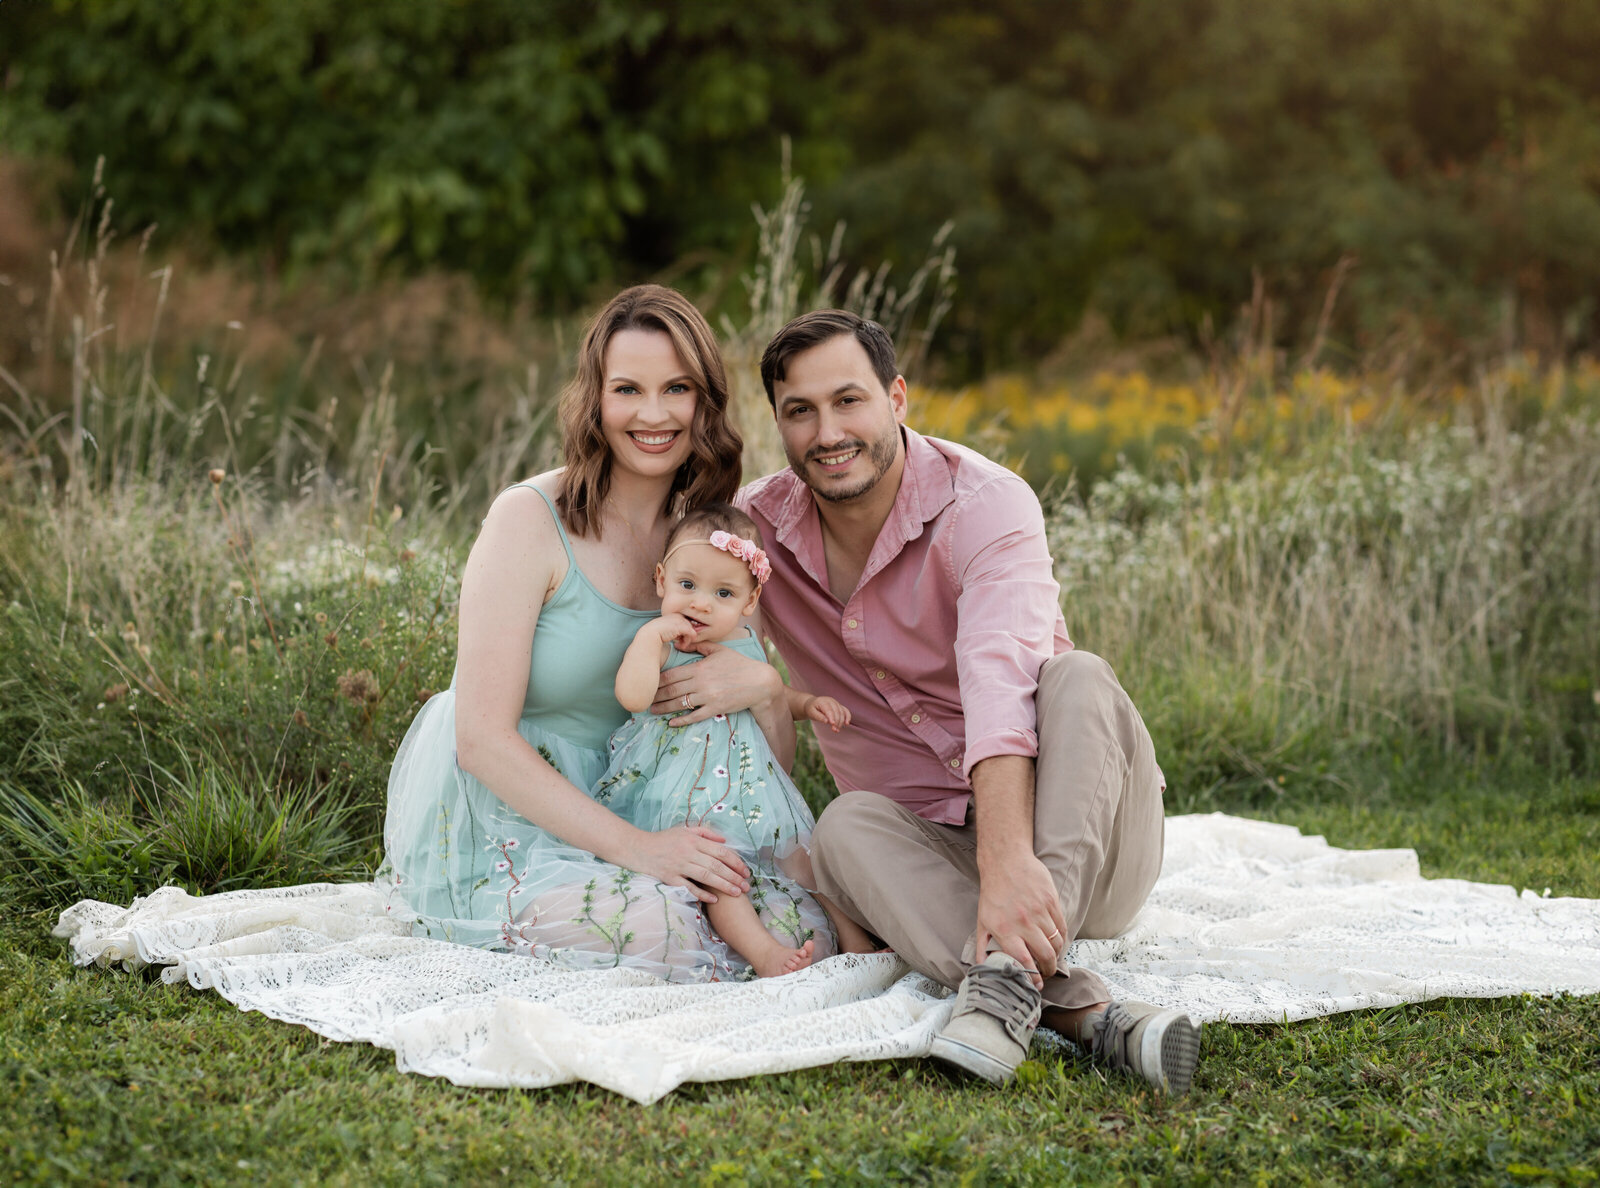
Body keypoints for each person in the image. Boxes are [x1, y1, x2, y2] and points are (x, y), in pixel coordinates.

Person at [653, 310, 1201, 1090]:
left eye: (849, 401)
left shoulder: (985, 503)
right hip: (936, 858)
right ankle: (1087, 1016)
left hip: (1084, 843)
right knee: (843, 825)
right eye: (799, 412)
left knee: (1077, 676)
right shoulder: (757, 533)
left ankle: (1016, 974)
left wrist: (1010, 859)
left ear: (898, 398)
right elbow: (665, 575)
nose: (827, 431)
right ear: (777, 422)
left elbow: (999, 681)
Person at [378, 284, 836, 981]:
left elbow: (752, 766)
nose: (652, 415)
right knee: (657, 930)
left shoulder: (712, 544)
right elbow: (481, 741)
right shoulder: (529, 520)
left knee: (799, 927)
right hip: (516, 814)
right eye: (628, 389)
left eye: (676, 388)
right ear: (595, 400)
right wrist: (644, 851)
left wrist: (770, 693)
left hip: (651, 806)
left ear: (704, 402)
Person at [597, 502, 876, 977]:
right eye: (687, 586)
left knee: (807, 865)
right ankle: (765, 954)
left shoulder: (744, 643)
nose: (700, 603)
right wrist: (649, 640)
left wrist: (808, 705)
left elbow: (774, 692)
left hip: (754, 793)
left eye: (722, 592)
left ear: (749, 603)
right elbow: (633, 695)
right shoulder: (661, 643)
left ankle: (858, 943)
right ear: (661, 580)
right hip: (685, 798)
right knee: (721, 875)